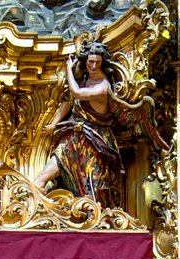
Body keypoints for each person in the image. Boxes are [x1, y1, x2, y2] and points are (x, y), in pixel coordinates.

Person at [34, 43, 126, 207]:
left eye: (97, 62)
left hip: (92, 143)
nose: (93, 66)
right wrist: (54, 124)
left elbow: (76, 93)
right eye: (90, 61)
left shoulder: (103, 87)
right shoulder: (84, 79)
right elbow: (70, 101)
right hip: (72, 138)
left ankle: (95, 218)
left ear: (102, 63)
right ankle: (39, 206)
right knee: (43, 177)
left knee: (91, 189)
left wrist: (69, 69)